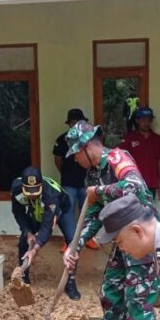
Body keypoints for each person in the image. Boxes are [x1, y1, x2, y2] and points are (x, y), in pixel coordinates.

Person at [62, 120, 160, 320]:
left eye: (75, 154)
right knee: (111, 292)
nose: (74, 160)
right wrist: (77, 245)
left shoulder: (118, 157)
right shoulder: (93, 174)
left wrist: (99, 191)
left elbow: (135, 187)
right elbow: (93, 214)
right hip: (121, 239)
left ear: (87, 147)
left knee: (138, 298)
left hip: (142, 238)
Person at [11, 166, 81, 300]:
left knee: (73, 242)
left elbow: (47, 227)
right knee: (23, 243)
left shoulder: (51, 195)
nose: (32, 194)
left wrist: (35, 249)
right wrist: (28, 233)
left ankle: (70, 282)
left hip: (61, 212)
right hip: (36, 211)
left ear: (41, 185)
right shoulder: (16, 188)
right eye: (29, 192)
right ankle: (23, 278)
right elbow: (18, 213)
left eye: (35, 191)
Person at [53, 108, 99, 252]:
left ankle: (89, 238)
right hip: (68, 182)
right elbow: (58, 160)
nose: (75, 124)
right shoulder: (62, 139)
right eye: (72, 122)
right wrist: (65, 173)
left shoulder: (89, 140)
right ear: (69, 123)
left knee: (88, 211)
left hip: (86, 182)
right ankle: (69, 241)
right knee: (68, 211)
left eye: (78, 121)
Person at [119, 107, 160, 200]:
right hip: (132, 182)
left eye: (149, 120)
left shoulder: (157, 139)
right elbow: (121, 160)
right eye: (143, 120)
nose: (146, 123)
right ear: (137, 121)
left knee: (148, 212)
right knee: (133, 211)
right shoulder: (129, 138)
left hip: (151, 183)